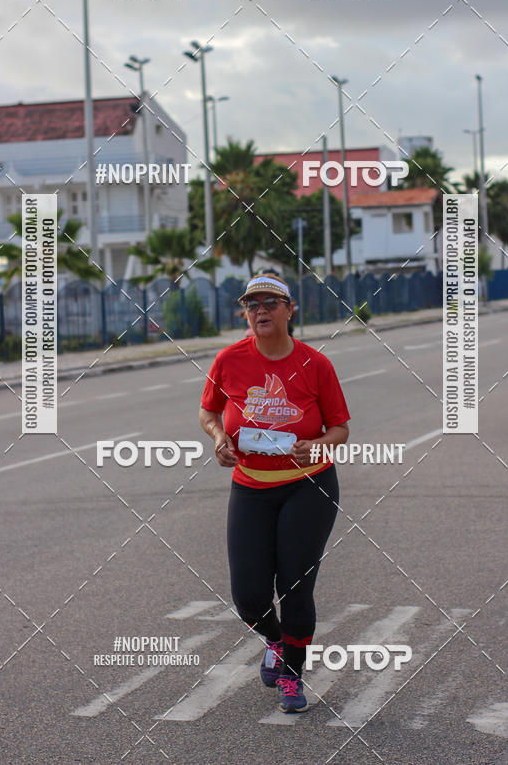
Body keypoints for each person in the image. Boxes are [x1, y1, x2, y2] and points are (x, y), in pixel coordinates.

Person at [199, 272, 349, 713]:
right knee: (248, 596)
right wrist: (217, 438)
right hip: (250, 488)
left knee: (295, 587)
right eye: (252, 304)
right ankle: (275, 639)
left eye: (270, 303)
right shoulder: (229, 360)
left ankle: (292, 676)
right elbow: (209, 411)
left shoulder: (315, 364)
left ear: (290, 309)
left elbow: (339, 428)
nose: (260, 311)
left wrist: (317, 444)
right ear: (245, 313)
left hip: (309, 486)